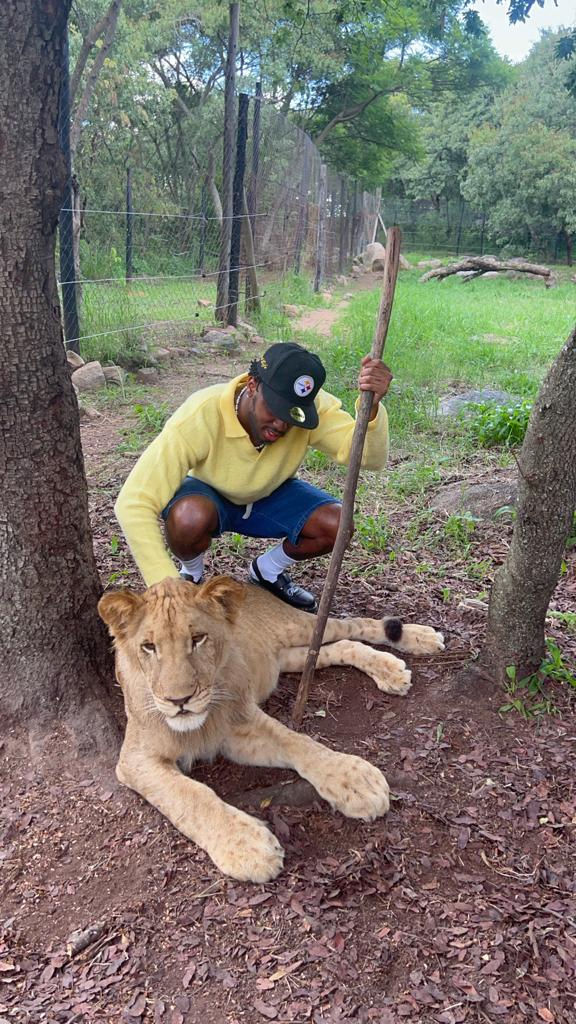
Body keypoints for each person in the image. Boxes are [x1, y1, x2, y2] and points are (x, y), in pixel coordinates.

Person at [115, 341, 392, 612]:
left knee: (337, 524)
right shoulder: (201, 413)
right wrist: (165, 585)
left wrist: (371, 409)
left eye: (293, 415)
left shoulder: (310, 409)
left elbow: (369, 458)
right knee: (188, 518)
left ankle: (267, 570)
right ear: (251, 386)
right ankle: (191, 574)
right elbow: (134, 503)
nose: (281, 424)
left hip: (270, 495)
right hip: (209, 495)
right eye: (274, 409)